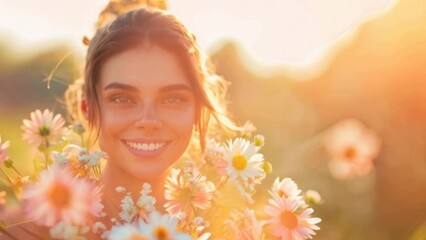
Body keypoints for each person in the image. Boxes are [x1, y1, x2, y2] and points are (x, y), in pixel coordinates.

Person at [0, 7, 239, 240]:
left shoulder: (223, 229)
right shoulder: (23, 229)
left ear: (197, 110)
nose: (149, 121)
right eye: (123, 98)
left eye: (172, 98)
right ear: (88, 109)